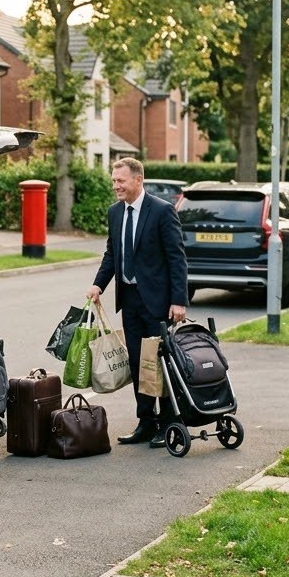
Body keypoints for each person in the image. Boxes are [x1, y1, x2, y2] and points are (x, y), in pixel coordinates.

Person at [87, 157, 188, 447]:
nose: (115, 186)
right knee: (136, 361)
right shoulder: (114, 213)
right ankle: (146, 421)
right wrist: (98, 284)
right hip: (129, 300)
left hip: (157, 302)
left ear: (138, 180)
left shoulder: (162, 211)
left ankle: (169, 423)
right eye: (114, 181)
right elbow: (112, 253)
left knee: (159, 363)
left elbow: (177, 259)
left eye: (121, 181)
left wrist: (178, 301)